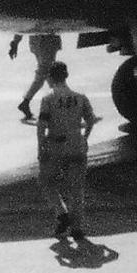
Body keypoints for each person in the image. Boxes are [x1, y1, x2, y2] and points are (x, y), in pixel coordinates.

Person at [35, 61, 99, 239]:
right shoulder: (80, 97)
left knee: (46, 181)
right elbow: (91, 120)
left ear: (50, 78)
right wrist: (85, 138)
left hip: (56, 146)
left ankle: (61, 213)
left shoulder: (48, 99)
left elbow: (42, 126)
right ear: (66, 76)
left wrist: (41, 148)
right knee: (76, 189)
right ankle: (77, 228)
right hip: (76, 145)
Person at [9, 32, 62, 121]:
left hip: (38, 42)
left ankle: (58, 105)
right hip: (47, 42)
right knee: (43, 74)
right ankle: (26, 102)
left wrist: (15, 42)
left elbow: (24, 22)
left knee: (48, 73)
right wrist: (15, 42)